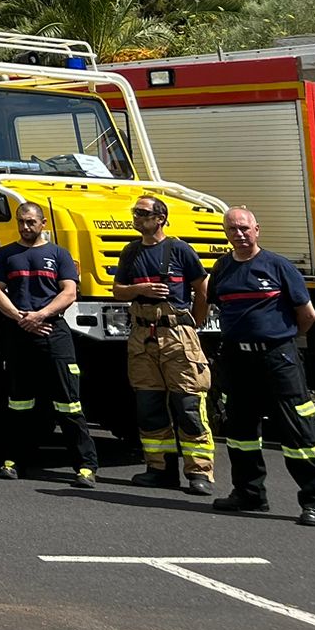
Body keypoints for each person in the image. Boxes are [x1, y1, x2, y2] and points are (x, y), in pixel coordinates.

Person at [209, 206, 315, 527]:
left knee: (298, 429)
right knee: (241, 431)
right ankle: (249, 493)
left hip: (278, 357)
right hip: (237, 359)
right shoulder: (222, 269)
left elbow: (308, 316)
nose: (240, 234)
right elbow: (220, 308)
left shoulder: (278, 266)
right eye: (233, 229)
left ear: (257, 229)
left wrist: (281, 341)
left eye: (245, 228)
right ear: (226, 233)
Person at [0, 202, 97, 488]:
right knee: (19, 402)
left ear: (43, 222)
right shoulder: (6, 254)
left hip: (54, 331)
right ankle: (14, 461)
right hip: (19, 331)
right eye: (21, 222)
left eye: (31, 222)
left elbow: (69, 291)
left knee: (69, 403)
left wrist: (41, 315)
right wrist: (20, 317)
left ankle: (85, 467)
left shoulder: (59, 253)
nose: (26, 227)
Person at [115, 193, 213, 494]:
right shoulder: (130, 252)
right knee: (149, 405)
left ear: (160, 218)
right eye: (136, 213)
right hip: (142, 336)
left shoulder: (179, 249)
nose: (137, 218)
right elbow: (118, 291)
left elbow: (202, 289)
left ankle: (199, 473)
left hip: (176, 337)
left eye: (143, 213)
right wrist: (139, 288)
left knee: (188, 404)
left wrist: (192, 324)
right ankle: (160, 469)